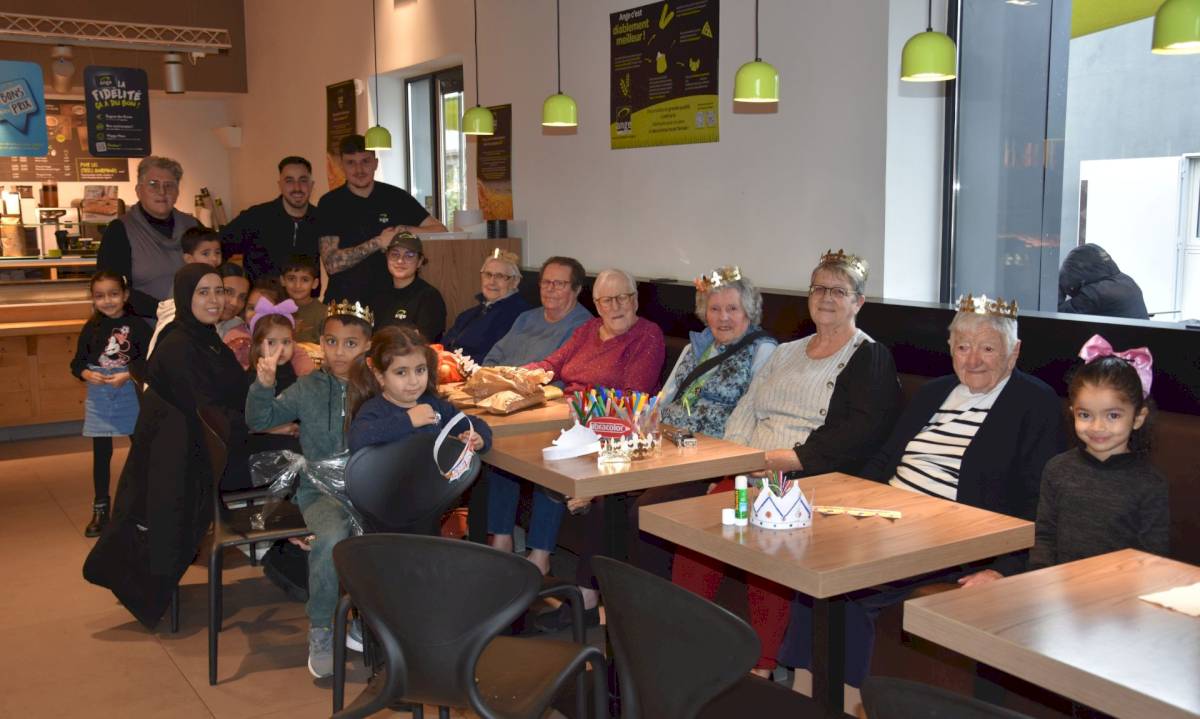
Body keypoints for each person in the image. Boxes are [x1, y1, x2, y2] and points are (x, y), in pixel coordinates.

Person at [777, 292, 1065, 713]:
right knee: (815, 568)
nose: (974, 360)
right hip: (886, 517)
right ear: (950, 349)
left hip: (950, 538)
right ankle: (806, 699)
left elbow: (1038, 499)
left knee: (848, 585)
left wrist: (1005, 567)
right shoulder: (934, 393)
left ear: (1014, 351)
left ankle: (854, 706)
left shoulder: (1034, 403)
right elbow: (885, 459)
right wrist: (839, 501)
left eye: (988, 347)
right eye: (963, 347)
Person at [672, 250, 901, 679]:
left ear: (859, 302)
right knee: (697, 530)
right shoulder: (786, 351)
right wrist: (732, 465)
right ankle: (689, 642)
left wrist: (780, 461)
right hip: (751, 467)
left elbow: (856, 435)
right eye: (819, 288)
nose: (827, 298)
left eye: (839, 290)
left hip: (804, 478)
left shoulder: (869, 356)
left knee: (768, 546)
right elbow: (746, 410)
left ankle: (763, 665)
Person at [488, 268, 665, 622]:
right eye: (606, 300)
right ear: (596, 304)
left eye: (622, 298)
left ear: (635, 300)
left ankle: (539, 558)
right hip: (565, 415)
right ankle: (500, 547)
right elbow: (554, 363)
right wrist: (521, 375)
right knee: (502, 446)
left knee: (544, 458)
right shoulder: (586, 331)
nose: (615, 306)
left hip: (605, 425)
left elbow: (633, 396)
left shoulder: (647, 335)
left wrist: (580, 408)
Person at [83, 264, 246, 629]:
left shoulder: (202, 337)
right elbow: (212, 411)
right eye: (203, 292)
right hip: (183, 459)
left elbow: (228, 394)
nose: (214, 299)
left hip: (187, 449)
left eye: (219, 291)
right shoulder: (180, 345)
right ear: (185, 296)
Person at [245, 300, 372, 679]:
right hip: (320, 488)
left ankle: (366, 621)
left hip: (369, 486)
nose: (339, 352)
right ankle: (321, 628)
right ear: (319, 342)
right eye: (331, 342)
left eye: (350, 343)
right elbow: (259, 419)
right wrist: (264, 385)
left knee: (386, 538)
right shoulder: (308, 387)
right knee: (331, 537)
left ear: (367, 345)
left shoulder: (377, 386)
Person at [632, 266, 778, 578]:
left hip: (706, 461)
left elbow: (756, 414)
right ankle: (607, 599)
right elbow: (665, 397)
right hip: (666, 449)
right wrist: (640, 425)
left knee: (646, 510)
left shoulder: (762, 351)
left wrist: (728, 473)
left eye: (732, 309)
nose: (723, 317)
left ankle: (653, 603)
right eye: (715, 309)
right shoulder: (695, 347)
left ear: (749, 313)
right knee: (610, 500)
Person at [1030, 335, 1169, 569]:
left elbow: (1152, 558)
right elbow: (1044, 537)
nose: (1097, 427)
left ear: (1138, 417)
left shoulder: (1150, 483)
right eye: (1085, 415)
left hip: (1118, 596)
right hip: (1058, 592)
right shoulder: (1057, 469)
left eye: (1112, 415)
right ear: (1073, 412)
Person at [317, 134, 448, 305]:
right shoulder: (330, 203)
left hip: (391, 302)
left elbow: (440, 230)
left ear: (376, 163)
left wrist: (404, 230)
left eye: (365, 161)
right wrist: (378, 242)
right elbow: (331, 264)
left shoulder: (396, 197)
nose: (359, 169)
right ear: (342, 166)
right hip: (345, 303)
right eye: (351, 163)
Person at [71, 271, 151, 538]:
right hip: (99, 395)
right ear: (93, 299)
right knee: (101, 454)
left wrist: (129, 374)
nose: (107, 301)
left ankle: (143, 505)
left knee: (141, 449)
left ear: (125, 295)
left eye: (113, 294)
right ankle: (101, 507)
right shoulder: (91, 327)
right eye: (100, 296)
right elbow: (77, 362)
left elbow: (151, 361)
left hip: (129, 391)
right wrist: (85, 373)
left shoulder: (138, 326)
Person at [346, 325, 493, 454]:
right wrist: (408, 420)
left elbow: (476, 424)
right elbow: (357, 439)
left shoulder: (434, 406)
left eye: (420, 370)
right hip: (391, 485)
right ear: (380, 376)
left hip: (430, 483)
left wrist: (478, 438)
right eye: (401, 372)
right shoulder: (375, 409)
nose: (414, 381)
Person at [97, 156, 199, 320]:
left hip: (192, 325)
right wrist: (166, 313)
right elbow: (113, 289)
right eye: (153, 185)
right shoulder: (119, 231)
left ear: (178, 192)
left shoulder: (193, 226)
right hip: (142, 328)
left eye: (169, 185)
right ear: (138, 190)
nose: (162, 192)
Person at [220, 156, 321, 281]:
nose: (297, 187)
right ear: (280, 185)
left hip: (305, 299)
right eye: (289, 181)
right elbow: (219, 247)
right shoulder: (256, 217)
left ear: (312, 185)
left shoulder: (321, 220)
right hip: (263, 299)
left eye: (303, 180)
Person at [482, 256, 592, 367]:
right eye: (546, 282)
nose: (549, 289)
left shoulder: (584, 327)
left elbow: (561, 377)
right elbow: (493, 357)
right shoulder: (526, 317)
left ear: (577, 289)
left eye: (559, 284)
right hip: (499, 381)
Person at [441, 249, 531, 361]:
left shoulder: (520, 316)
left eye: (500, 276)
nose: (492, 282)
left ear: (515, 281)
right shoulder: (467, 315)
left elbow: (496, 358)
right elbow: (444, 345)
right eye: (488, 275)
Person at [147, 227, 223, 357]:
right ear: (189, 258)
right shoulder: (181, 285)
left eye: (217, 252)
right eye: (206, 253)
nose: (214, 259)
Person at [368, 231, 447, 341]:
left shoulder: (429, 297)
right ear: (387, 257)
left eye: (409, 255)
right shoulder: (377, 293)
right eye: (395, 254)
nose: (400, 261)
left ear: (420, 261)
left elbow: (424, 343)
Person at [1058, 244, 1149, 320]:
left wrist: (1058, 283)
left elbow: (1056, 315)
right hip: (1139, 339)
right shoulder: (1126, 281)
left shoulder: (1096, 294)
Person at [282, 255, 327, 343]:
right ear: (282, 280)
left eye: (305, 280)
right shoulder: (275, 309)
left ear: (315, 284)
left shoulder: (323, 313)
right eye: (291, 279)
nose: (297, 285)